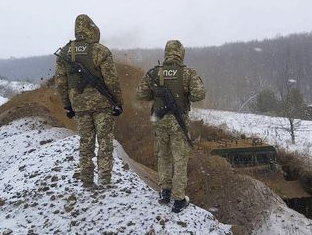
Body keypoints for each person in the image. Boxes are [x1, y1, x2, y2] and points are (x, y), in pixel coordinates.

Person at [136, 40, 205, 213]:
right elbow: (199, 94)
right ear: (181, 53)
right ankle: (179, 199)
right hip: (178, 124)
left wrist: (156, 92)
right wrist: (185, 91)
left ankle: (165, 192)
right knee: (180, 160)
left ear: (166, 53)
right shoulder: (187, 73)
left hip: (159, 122)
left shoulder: (154, 73)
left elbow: (141, 94)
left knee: (163, 157)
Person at [55, 14, 123, 188]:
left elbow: (61, 83)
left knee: (86, 142)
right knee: (105, 142)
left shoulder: (65, 52)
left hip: (79, 106)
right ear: (92, 29)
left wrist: (67, 106)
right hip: (102, 105)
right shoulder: (100, 50)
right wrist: (118, 102)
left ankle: (86, 180)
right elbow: (112, 80)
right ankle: (105, 179)